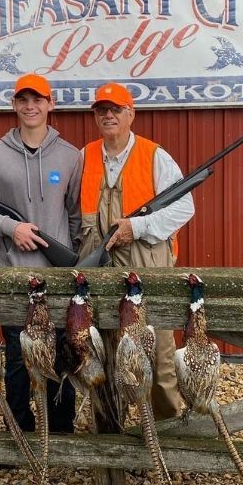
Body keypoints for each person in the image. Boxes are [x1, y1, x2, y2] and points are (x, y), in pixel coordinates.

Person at [0, 73, 81, 433]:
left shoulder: (70, 156)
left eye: (38, 100)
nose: (31, 106)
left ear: (51, 104)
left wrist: (73, 258)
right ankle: (19, 428)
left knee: (60, 355)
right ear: (14, 105)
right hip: (11, 272)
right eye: (23, 100)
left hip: (55, 276)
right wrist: (9, 227)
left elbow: (76, 215)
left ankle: (61, 431)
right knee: (17, 357)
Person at [79, 82, 195, 420]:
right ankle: (109, 431)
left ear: (131, 114)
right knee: (103, 353)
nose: (109, 115)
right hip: (100, 269)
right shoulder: (84, 156)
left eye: (116, 109)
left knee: (158, 356)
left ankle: (167, 431)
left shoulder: (155, 156)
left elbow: (184, 207)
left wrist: (138, 227)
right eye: (102, 110)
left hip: (148, 269)